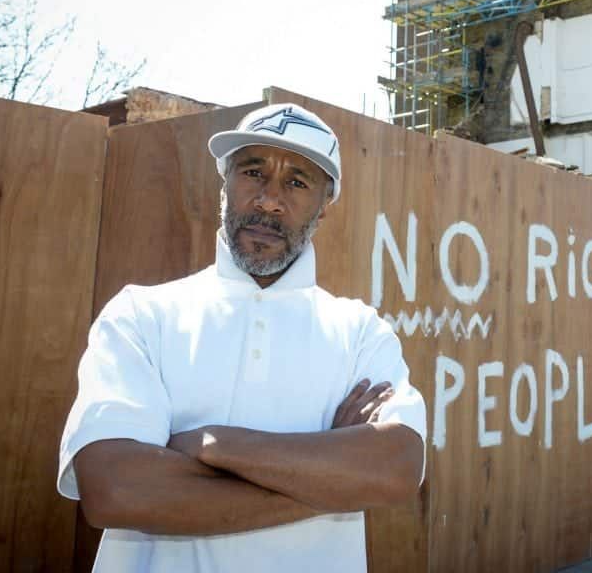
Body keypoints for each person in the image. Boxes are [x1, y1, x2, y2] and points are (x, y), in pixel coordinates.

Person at [57, 102, 426, 572]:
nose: (270, 200)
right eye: (253, 171)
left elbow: (395, 470)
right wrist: (332, 480)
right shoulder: (141, 314)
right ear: (224, 185)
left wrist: (214, 445)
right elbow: (116, 490)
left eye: (297, 182)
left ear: (323, 207)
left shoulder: (359, 331)